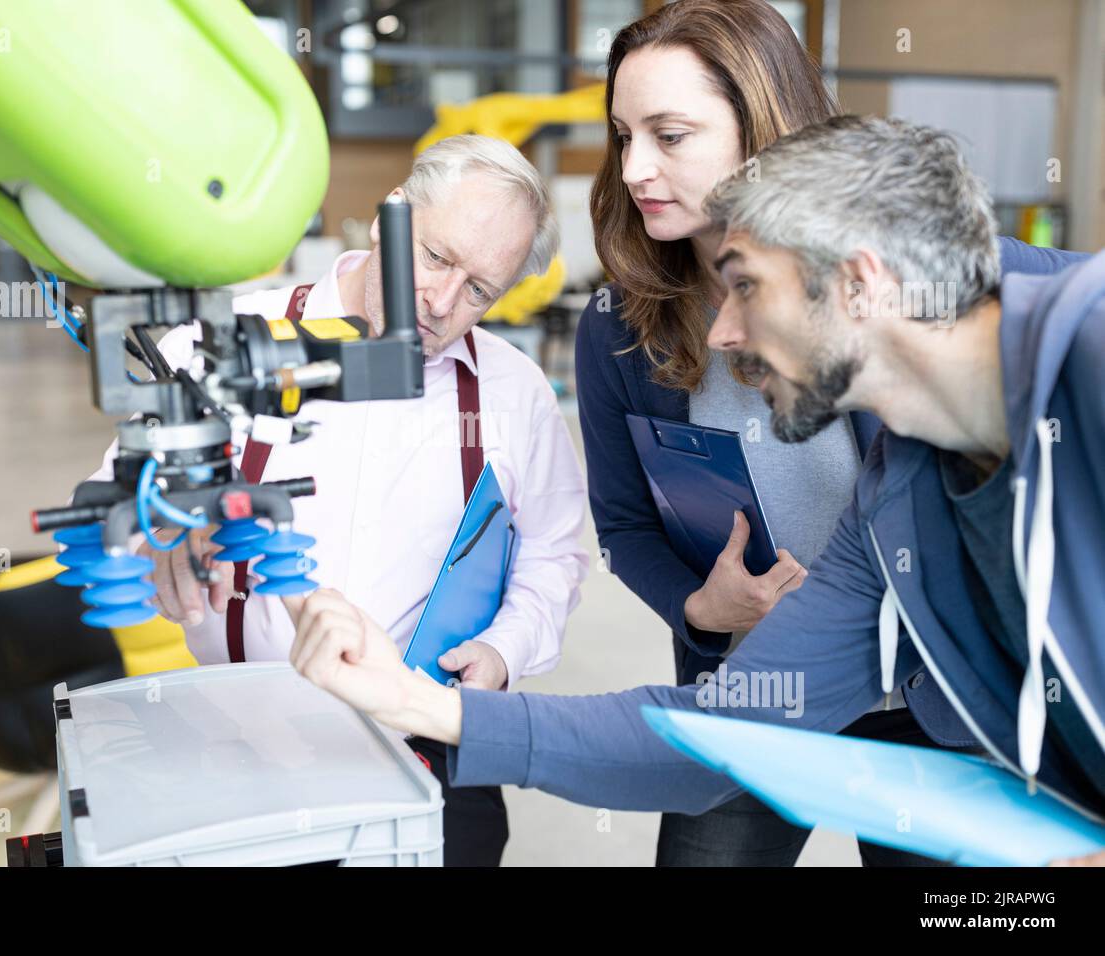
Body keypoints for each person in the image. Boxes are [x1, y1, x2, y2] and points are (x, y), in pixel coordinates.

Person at [281, 115, 1105, 867]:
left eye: (744, 285)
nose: (720, 333)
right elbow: (721, 731)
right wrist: (418, 702)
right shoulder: (894, 501)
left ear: (858, 282)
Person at [576, 0, 1082, 865]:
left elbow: (1052, 300)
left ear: (758, 130)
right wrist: (700, 607)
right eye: (623, 136)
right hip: (761, 685)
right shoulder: (621, 323)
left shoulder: (911, 280)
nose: (634, 169)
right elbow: (623, 527)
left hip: (939, 694)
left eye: (669, 135)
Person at [88, 134, 589, 867]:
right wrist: (159, 532)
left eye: (480, 289)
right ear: (391, 213)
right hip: (238, 734)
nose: (442, 301)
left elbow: (556, 551)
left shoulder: (513, 392)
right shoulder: (231, 342)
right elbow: (120, 492)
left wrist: (503, 651)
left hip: (425, 742)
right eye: (437, 257)